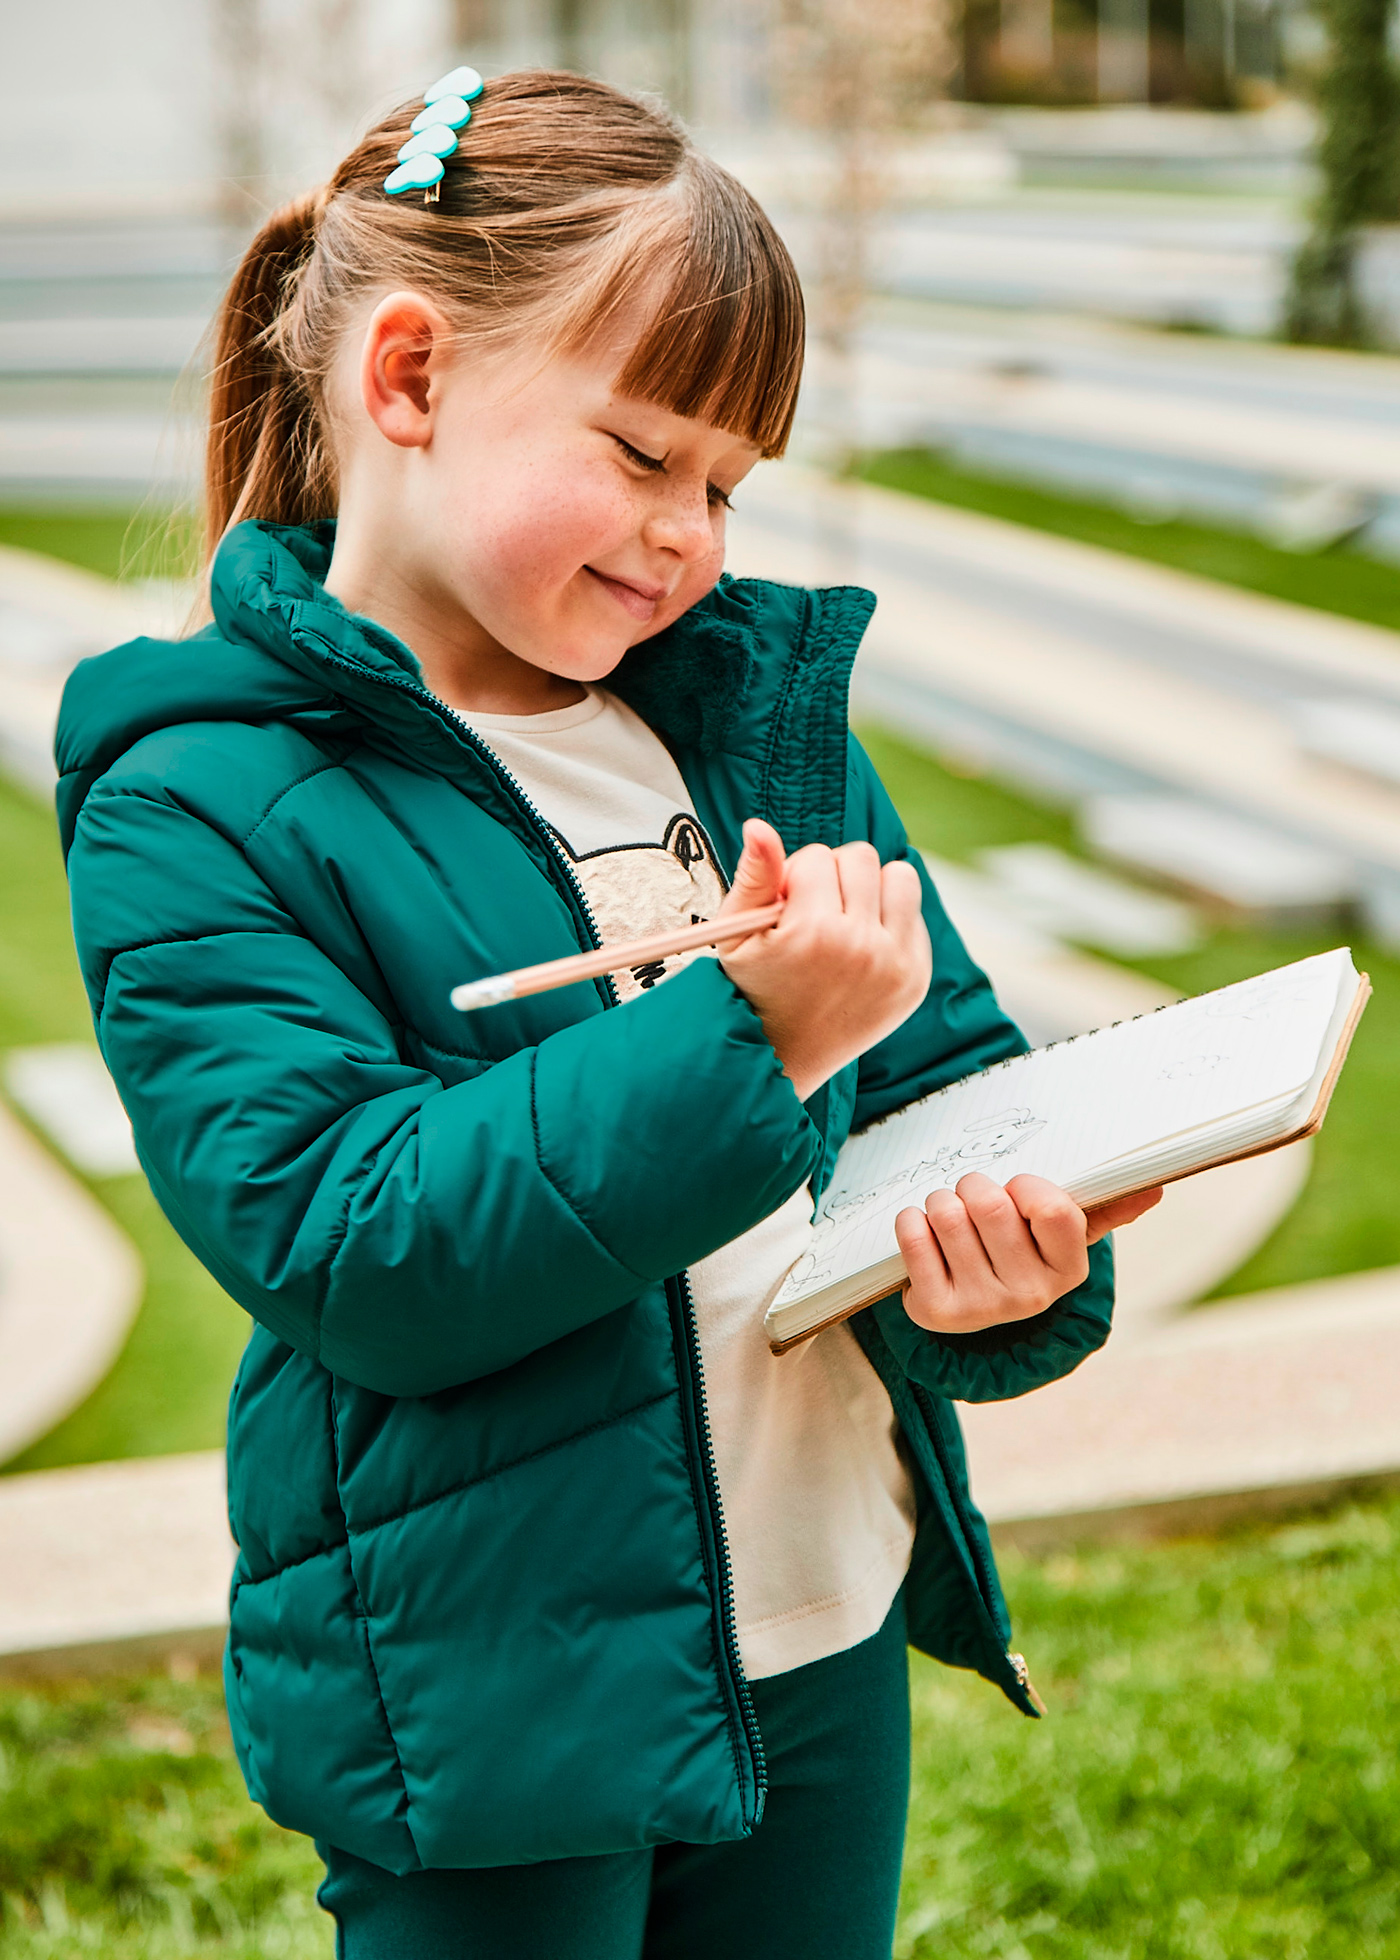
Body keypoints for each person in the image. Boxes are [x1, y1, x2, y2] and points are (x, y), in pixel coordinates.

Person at [56, 68, 1159, 1960]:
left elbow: (950, 1087)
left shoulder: (749, 727)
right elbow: (353, 1244)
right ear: (410, 377)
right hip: (489, 1700)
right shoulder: (197, 801)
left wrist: (1006, 1270)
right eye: (645, 454)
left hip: (825, 1620)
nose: (690, 537)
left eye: (726, 485)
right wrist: (755, 1040)